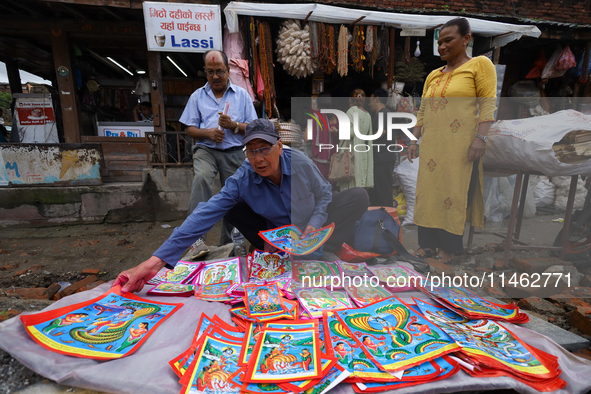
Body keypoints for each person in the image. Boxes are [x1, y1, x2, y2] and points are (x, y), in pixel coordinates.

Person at [113, 119, 369, 294]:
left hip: (309, 229)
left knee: (358, 197)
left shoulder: (300, 163)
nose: (258, 159)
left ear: (280, 147)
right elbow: (205, 213)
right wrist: (154, 262)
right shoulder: (244, 177)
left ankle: (323, 247)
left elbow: (325, 193)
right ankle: (270, 247)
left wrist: (314, 225)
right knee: (226, 204)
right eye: (251, 151)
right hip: (275, 233)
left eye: (265, 149)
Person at [408, 17, 496, 263]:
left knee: (453, 194)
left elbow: (488, 103)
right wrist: (413, 141)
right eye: (440, 42)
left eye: (449, 40)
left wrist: (481, 138)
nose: (442, 47)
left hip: (460, 145)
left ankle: (448, 248)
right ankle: (427, 245)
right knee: (428, 194)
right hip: (432, 145)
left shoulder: (479, 65)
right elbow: (423, 111)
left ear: (466, 38)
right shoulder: (434, 75)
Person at [181, 49, 258, 259]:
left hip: (233, 150)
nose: (215, 76)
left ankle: (230, 244)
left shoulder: (242, 95)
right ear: (205, 72)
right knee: (202, 179)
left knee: (234, 193)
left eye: (219, 71)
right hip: (206, 149)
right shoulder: (197, 96)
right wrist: (208, 133)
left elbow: (253, 127)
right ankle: (195, 240)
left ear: (228, 71)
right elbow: (189, 128)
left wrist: (233, 125)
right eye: (210, 72)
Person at [336, 89, 374, 192]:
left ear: (350, 100)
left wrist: (338, 130)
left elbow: (350, 133)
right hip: (363, 151)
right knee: (359, 183)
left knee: (349, 185)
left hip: (352, 152)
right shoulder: (367, 114)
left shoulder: (351, 111)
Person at [367, 88, 397, 207]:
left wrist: (364, 139)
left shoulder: (383, 113)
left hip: (383, 158)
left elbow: (381, 132)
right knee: (379, 190)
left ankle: (388, 218)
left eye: (371, 100)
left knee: (383, 191)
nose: (369, 104)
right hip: (383, 158)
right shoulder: (385, 113)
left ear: (377, 98)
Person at [307, 92, 338, 180]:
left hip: (318, 159)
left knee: (319, 186)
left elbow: (306, 138)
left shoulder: (314, 116)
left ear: (317, 103)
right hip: (333, 159)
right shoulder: (335, 117)